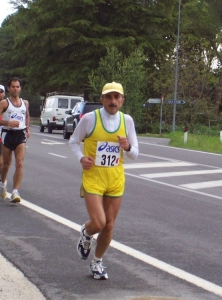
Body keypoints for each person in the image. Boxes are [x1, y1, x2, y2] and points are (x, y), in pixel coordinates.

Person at [69, 81, 139, 280]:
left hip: (115, 179)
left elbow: (135, 154)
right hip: (94, 178)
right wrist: (81, 158)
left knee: (109, 225)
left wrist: (126, 147)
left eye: (117, 97)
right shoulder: (90, 119)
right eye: (109, 97)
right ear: (102, 100)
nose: (113, 101)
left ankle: (97, 262)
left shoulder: (127, 121)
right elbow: (73, 142)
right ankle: (86, 232)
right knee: (98, 223)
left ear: (122, 101)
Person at [0, 77, 30, 202]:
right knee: (6, 164)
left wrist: (27, 127)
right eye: (13, 86)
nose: (16, 89)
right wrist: (7, 122)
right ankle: (3, 183)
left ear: (20, 88)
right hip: (7, 134)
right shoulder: (5, 103)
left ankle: (15, 192)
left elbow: (27, 116)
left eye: (18, 86)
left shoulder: (25, 103)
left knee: (19, 163)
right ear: (9, 88)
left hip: (20, 134)